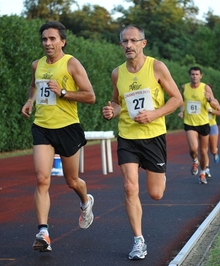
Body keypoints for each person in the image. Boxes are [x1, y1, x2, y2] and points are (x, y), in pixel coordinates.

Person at [101, 25, 183, 260]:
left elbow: (176, 98)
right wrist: (111, 111)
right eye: (124, 42)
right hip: (127, 136)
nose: (128, 45)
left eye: (133, 41)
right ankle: (138, 240)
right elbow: (117, 103)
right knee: (129, 187)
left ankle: (160, 174)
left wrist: (154, 114)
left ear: (143, 43)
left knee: (156, 194)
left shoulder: (156, 67)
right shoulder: (117, 73)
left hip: (153, 136)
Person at [21, 21, 96, 253]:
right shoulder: (37, 65)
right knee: (42, 179)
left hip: (67, 127)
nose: (48, 43)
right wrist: (30, 101)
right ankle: (43, 232)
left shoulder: (71, 63)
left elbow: (90, 96)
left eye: (52, 39)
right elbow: (34, 86)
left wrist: (63, 92)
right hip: (42, 126)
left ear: (62, 41)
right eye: (44, 39)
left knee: (71, 180)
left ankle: (86, 201)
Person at [178, 68, 219, 184]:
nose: (194, 76)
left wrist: (210, 99)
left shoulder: (206, 88)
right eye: (192, 74)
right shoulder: (184, 87)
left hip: (204, 123)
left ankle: (202, 172)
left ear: (201, 76)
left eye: (197, 74)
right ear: (189, 75)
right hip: (190, 123)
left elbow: (215, 104)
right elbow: (182, 102)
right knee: (193, 148)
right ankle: (195, 160)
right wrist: (182, 111)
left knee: (204, 151)